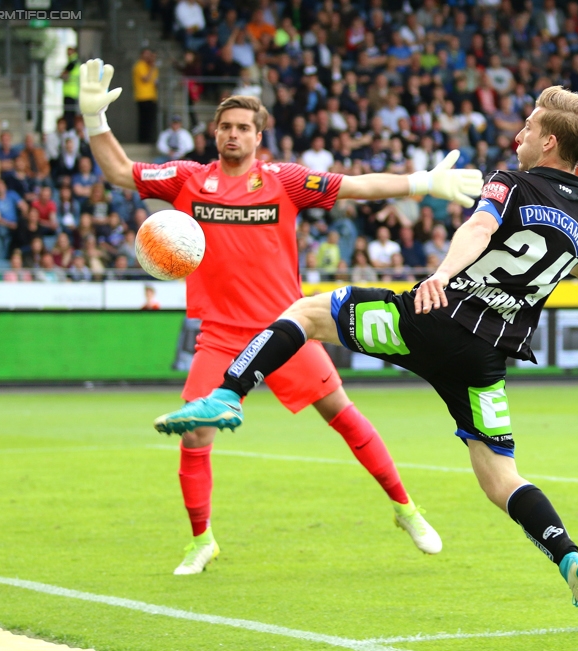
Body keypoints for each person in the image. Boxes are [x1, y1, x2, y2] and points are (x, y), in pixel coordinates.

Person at [155, 86, 578, 631]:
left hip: (434, 317)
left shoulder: (509, 182)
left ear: (550, 142)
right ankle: (569, 557)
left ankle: (229, 395)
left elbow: (479, 227)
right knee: (500, 478)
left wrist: (442, 275)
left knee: (303, 314)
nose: (520, 133)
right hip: (487, 358)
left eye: (530, 126)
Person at [79, 59, 481, 573]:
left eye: (242, 127)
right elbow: (118, 172)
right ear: (214, 132)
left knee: (345, 417)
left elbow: (354, 185)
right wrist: (95, 120)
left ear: (258, 136)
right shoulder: (187, 180)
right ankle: (200, 541)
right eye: (225, 126)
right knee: (195, 434)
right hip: (221, 335)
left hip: (286, 330)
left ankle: (407, 509)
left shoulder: (284, 181)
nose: (232, 134)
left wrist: (421, 182)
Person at [133, 49, 159, 144]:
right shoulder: (139, 65)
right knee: (144, 120)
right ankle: (143, 140)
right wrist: (152, 68)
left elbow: (155, 82)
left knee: (151, 120)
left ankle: (150, 138)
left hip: (152, 96)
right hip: (142, 96)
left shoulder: (152, 67)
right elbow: (146, 79)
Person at [60, 47, 81, 129]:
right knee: (71, 113)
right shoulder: (74, 62)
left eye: (69, 51)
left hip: (70, 92)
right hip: (73, 92)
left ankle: (69, 129)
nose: (68, 53)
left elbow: (64, 74)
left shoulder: (73, 62)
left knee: (68, 114)